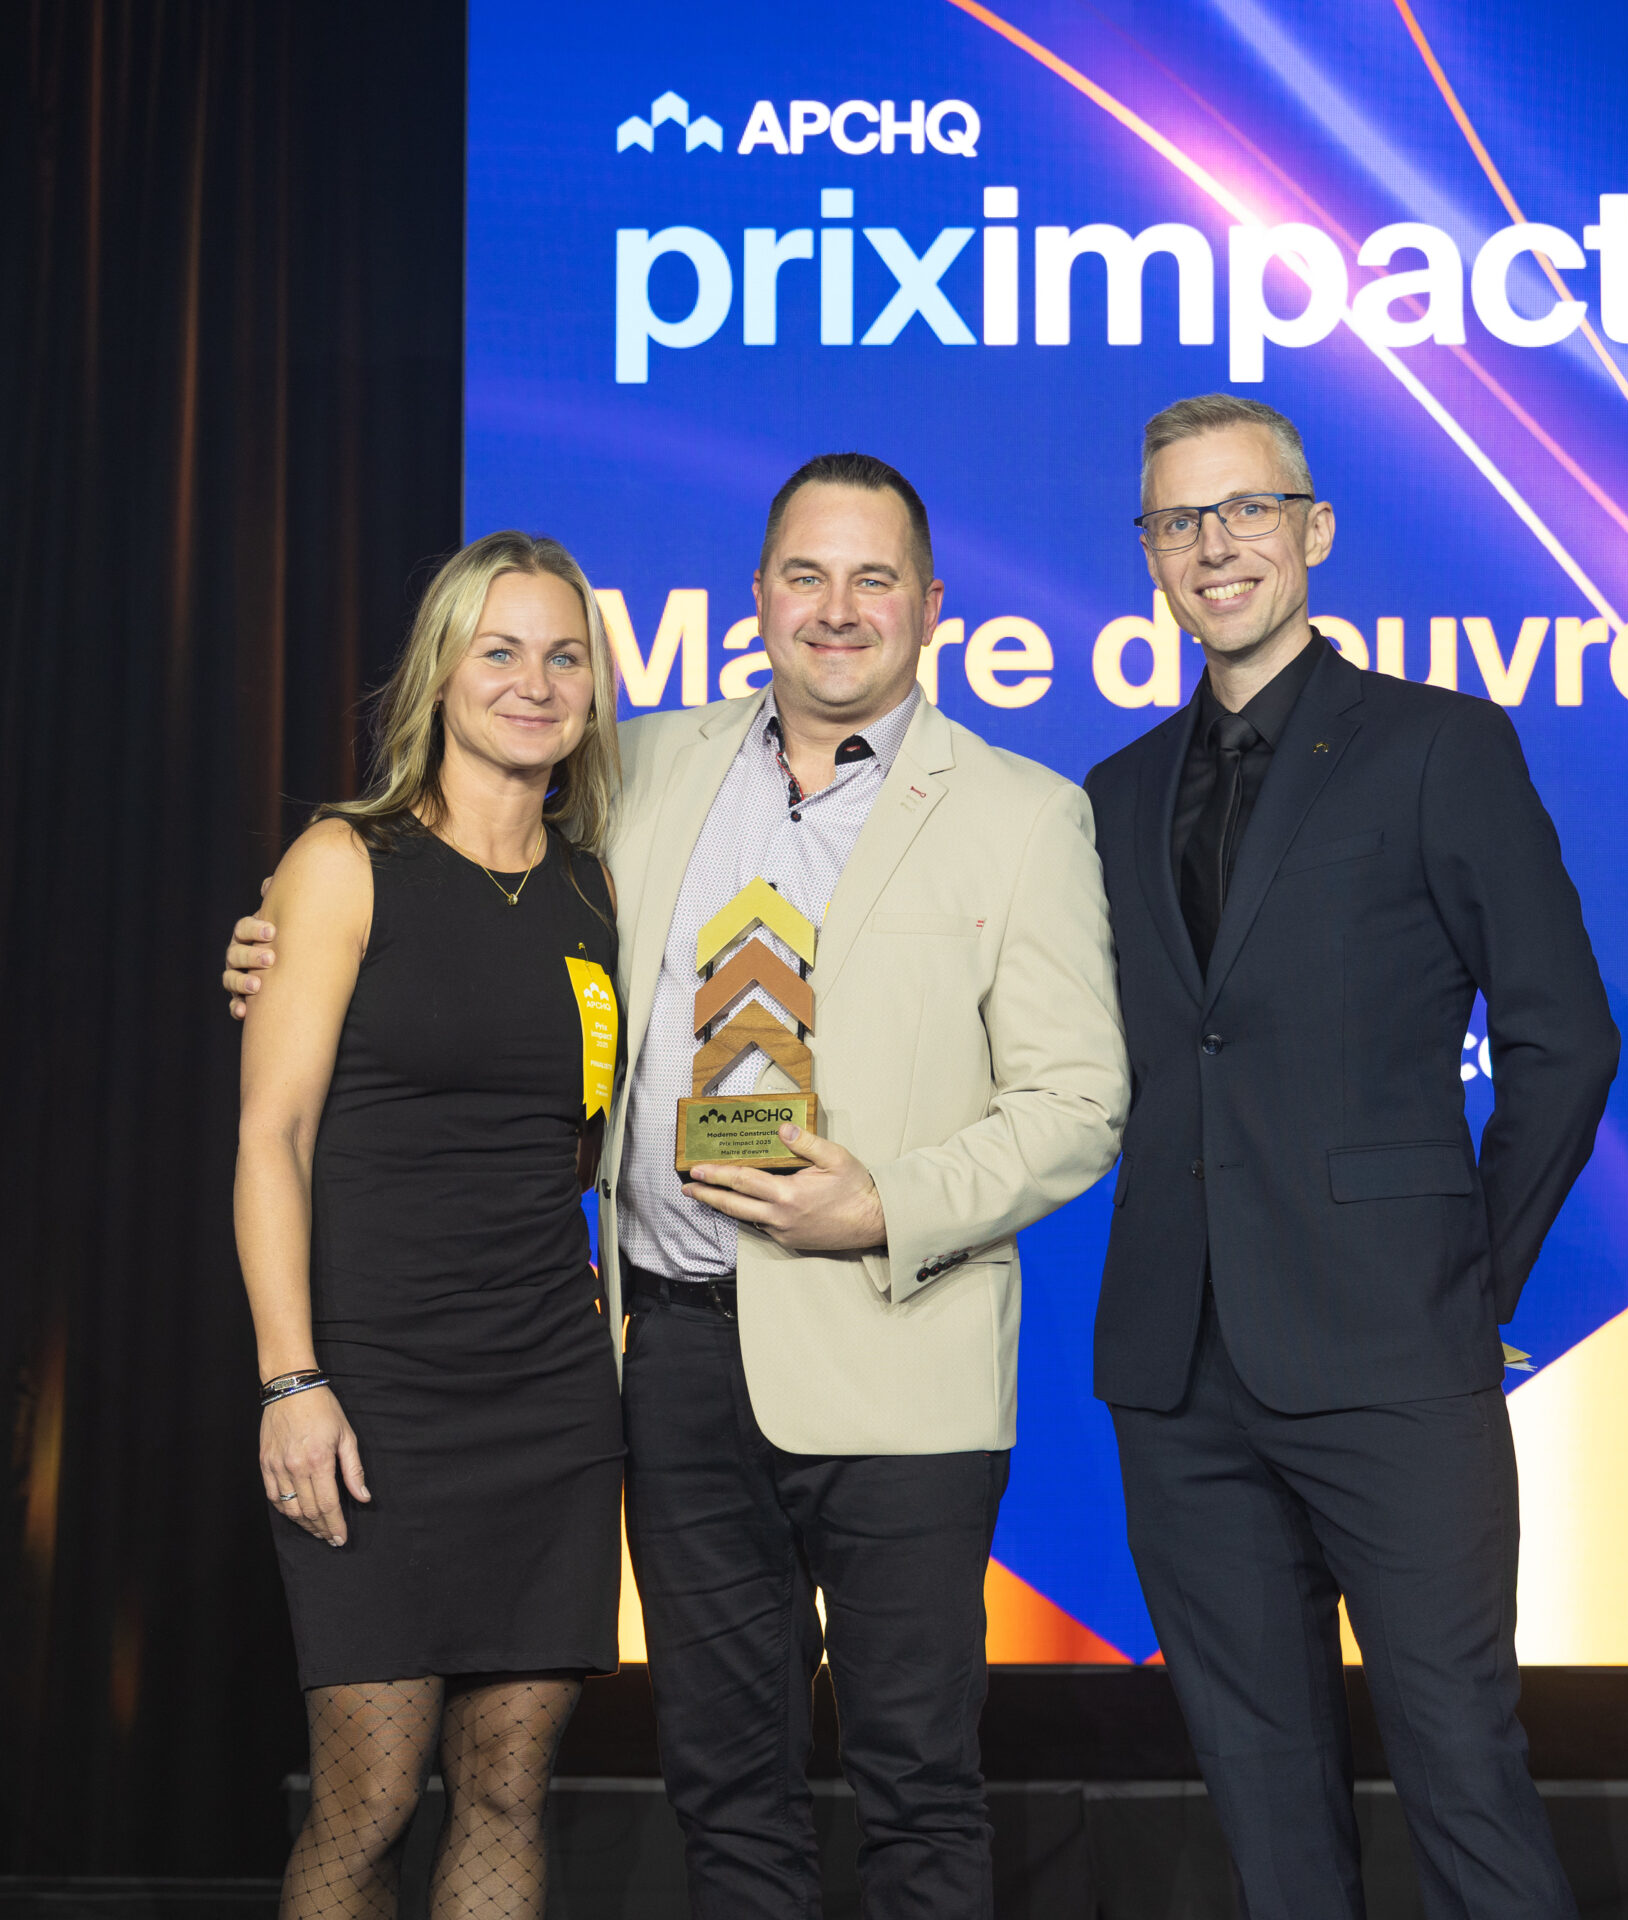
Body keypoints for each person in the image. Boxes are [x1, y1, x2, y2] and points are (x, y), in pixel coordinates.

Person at [229, 454, 1130, 1919]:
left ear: (932, 608)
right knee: (725, 1786)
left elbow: (1081, 1102)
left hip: (896, 1359)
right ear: (755, 597)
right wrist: (274, 946)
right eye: (804, 575)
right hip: (668, 1365)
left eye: (874, 578)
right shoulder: (637, 769)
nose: (836, 611)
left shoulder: (1024, 815)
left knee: (913, 1776)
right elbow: (446, 907)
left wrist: (885, 1202)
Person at [1083, 395, 1619, 1920]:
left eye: (1245, 510)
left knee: (1463, 1773)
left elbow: (1566, 1042)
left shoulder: (1441, 746)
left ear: (1313, 532)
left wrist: (1468, 1281)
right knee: (1266, 1809)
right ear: (1152, 558)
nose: (1215, 545)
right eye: (1180, 521)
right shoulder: (1116, 799)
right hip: (1177, 1378)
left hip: (1395, 1355)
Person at [234, 531, 627, 1917]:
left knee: (511, 1789)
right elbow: (270, 1140)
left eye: (563, 654)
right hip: (375, 1392)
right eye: (501, 651)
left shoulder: (597, 889)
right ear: (442, 676)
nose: (534, 681)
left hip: (552, 1394)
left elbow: (582, 1140)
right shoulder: (346, 862)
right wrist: (292, 1379)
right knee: (371, 1797)